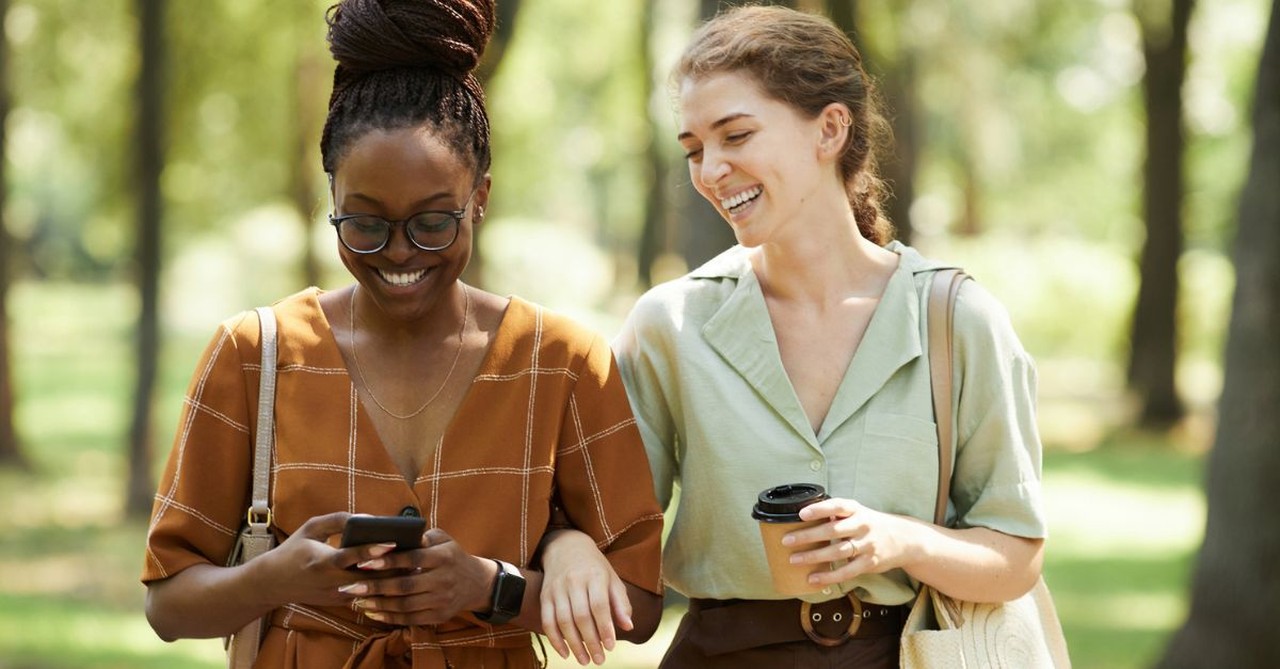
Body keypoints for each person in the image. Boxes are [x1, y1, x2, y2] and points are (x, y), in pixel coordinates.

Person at [140, 1, 662, 666]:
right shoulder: (255, 352)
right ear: (330, 199)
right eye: (363, 223)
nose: (398, 253)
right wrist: (274, 578)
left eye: (432, 222)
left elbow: (640, 605)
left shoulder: (562, 361)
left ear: (481, 197)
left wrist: (489, 586)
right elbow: (166, 601)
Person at [550, 5, 1050, 668]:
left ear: (830, 129)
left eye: (736, 135)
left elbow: (1015, 554)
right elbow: (601, 521)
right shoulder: (671, 324)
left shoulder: (958, 321)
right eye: (695, 148)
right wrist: (566, 546)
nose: (710, 170)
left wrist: (898, 540)